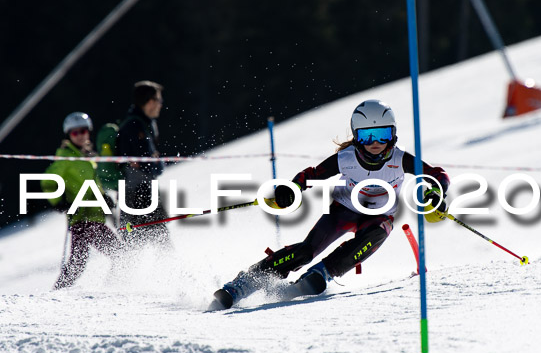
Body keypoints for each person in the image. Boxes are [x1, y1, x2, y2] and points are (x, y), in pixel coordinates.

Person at [210, 99, 450, 310]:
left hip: (379, 216)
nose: (375, 143)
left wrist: (436, 192)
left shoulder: (400, 159)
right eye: (367, 136)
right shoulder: (346, 159)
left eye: (383, 135)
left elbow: (437, 174)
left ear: (393, 135)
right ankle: (241, 285)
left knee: (378, 232)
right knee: (305, 251)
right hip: (343, 211)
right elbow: (311, 175)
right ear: (356, 136)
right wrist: (291, 189)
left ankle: (323, 273)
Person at [42, 112, 124, 289]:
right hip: (83, 218)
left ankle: (57, 292)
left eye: (83, 131)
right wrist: (58, 201)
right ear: (68, 135)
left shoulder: (88, 156)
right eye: (75, 133)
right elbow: (48, 180)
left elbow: (92, 183)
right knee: (120, 253)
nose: (80, 136)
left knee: (78, 262)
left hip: (93, 216)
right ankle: (115, 288)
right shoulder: (65, 156)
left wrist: (104, 198)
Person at [116, 80, 170, 247]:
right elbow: (144, 162)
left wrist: (154, 161)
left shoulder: (146, 123)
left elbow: (150, 163)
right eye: (159, 101)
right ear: (150, 101)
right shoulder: (134, 126)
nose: (161, 105)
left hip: (145, 189)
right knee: (155, 240)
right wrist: (154, 161)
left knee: (154, 239)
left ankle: (170, 272)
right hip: (136, 193)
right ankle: (173, 272)